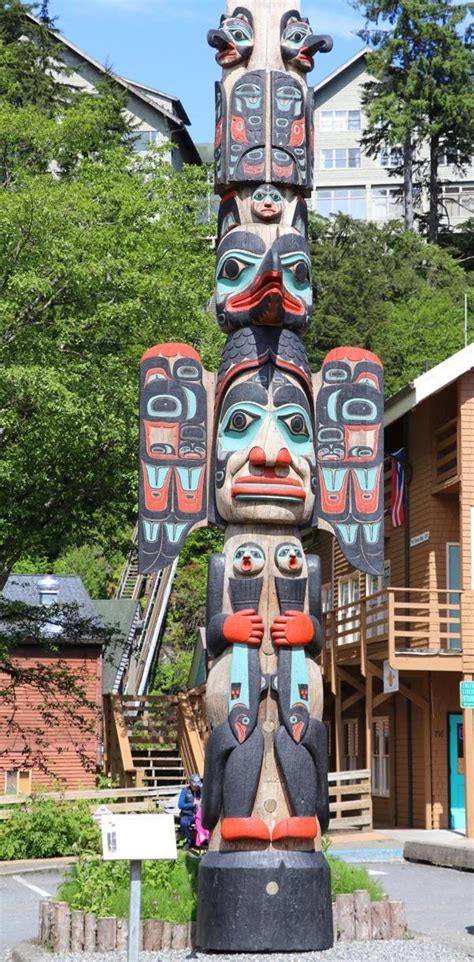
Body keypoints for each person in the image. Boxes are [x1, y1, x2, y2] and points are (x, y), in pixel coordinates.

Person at [178, 774, 202, 848]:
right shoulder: (185, 791)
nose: (196, 787)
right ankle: (187, 841)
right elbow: (180, 805)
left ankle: (202, 841)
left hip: (199, 814)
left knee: (205, 823)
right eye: (194, 785)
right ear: (190, 784)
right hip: (187, 815)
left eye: (197, 786)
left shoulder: (201, 791)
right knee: (184, 822)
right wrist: (192, 804)